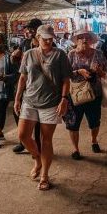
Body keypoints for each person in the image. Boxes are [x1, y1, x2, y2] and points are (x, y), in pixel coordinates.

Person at [13, 25, 71, 191]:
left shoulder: (60, 55)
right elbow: (23, 78)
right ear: (37, 37)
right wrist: (17, 99)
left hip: (51, 103)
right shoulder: (29, 54)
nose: (47, 41)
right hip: (29, 100)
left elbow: (66, 79)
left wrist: (64, 99)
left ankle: (45, 175)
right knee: (23, 135)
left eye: (50, 38)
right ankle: (37, 158)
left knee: (46, 139)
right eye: (44, 38)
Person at [66, 32, 107, 159]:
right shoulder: (71, 54)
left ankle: (94, 140)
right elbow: (66, 73)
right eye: (81, 38)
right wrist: (79, 71)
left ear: (91, 40)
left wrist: (99, 71)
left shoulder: (98, 54)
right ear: (77, 40)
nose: (84, 39)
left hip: (94, 93)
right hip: (75, 94)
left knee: (95, 121)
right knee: (73, 123)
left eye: (87, 38)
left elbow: (105, 73)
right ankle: (75, 149)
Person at [10, 19, 42, 154]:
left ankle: (38, 144)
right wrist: (14, 56)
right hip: (24, 81)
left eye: (31, 29)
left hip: (40, 84)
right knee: (18, 111)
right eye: (28, 29)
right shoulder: (25, 43)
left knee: (38, 116)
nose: (28, 31)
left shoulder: (45, 44)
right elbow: (16, 60)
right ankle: (24, 141)